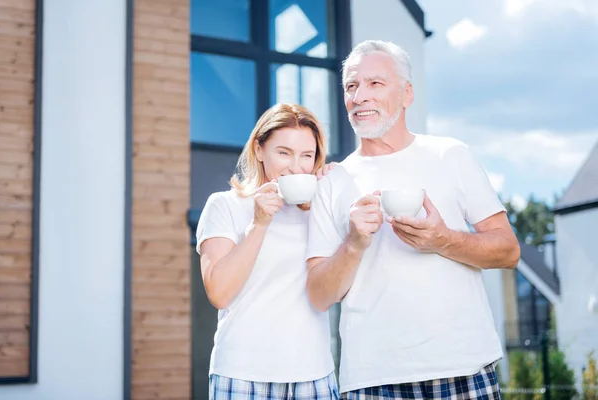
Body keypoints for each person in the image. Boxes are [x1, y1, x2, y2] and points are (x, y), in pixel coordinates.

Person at [305, 40, 521, 399]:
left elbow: (508, 251)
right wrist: (354, 243)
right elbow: (318, 295)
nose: (360, 97)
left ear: (407, 94)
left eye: (375, 83)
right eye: (351, 86)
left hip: (464, 368)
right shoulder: (332, 180)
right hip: (372, 380)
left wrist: (442, 240)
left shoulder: (451, 155)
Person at [196, 103, 339, 400]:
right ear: (259, 150)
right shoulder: (225, 206)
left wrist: (335, 195)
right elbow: (219, 292)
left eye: (307, 156)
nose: (295, 167)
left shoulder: (320, 213)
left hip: (313, 374)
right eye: (284, 152)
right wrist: (258, 225)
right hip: (243, 373)